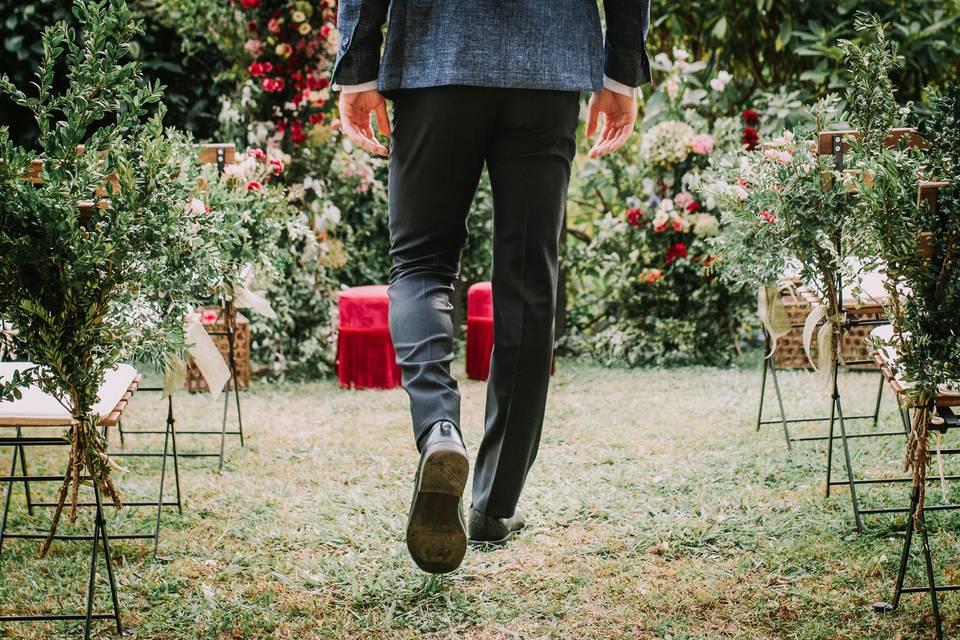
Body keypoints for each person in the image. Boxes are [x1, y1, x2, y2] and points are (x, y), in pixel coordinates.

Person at [333, 0, 651, 574]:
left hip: (436, 57)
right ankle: (494, 507)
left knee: (421, 265)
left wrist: (357, 64)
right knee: (530, 280)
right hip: (546, 67)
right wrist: (620, 70)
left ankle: (439, 428)